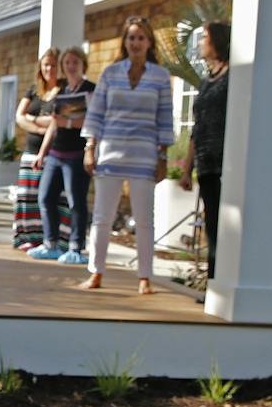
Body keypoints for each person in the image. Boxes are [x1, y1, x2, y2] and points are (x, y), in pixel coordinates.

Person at [80, 17, 174, 295]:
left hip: (144, 155)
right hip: (110, 152)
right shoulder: (110, 73)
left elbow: (165, 117)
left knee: (144, 219)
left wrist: (163, 157)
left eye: (141, 38)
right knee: (102, 217)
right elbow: (96, 112)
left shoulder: (160, 76)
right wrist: (90, 148)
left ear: (149, 42)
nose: (136, 43)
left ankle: (145, 277)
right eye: (131, 37)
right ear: (125, 41)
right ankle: (95, 272)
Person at [30, 47, 94, 264]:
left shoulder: (90, 89)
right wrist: (42, 153)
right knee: (45, 198)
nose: (70, 65)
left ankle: (76, 247)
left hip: (77, 154)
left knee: (76, 201)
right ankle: (51, 244)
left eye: (75, 61)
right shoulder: (63, 91)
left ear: (82, 64)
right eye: (67, 62)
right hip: (56, 154)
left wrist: (70, 122)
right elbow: (54, 125)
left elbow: (92, 121)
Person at [178, 21, 230, 279]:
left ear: (217, 41)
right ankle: (213, 283)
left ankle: (220, 282)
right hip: (207, 165)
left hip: (227, 165)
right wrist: (187, 169)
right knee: (212, 228)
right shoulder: (208, 81)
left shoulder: (234, 77)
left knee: (225, 229)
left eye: (204, 37)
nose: (199, 43)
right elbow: (197, 128)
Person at [12, 49, 60, 250]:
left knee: (46, 197)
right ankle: (26, 237)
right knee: (26, 196)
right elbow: (19, 116)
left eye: (53, 65)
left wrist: (34, 119)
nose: (49, 68)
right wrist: (40, 127)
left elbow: (56, 120)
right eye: (46, 64)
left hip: (51, 154)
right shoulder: (34, 90)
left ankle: (45, 239)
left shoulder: (63, 90)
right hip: (30, 152)